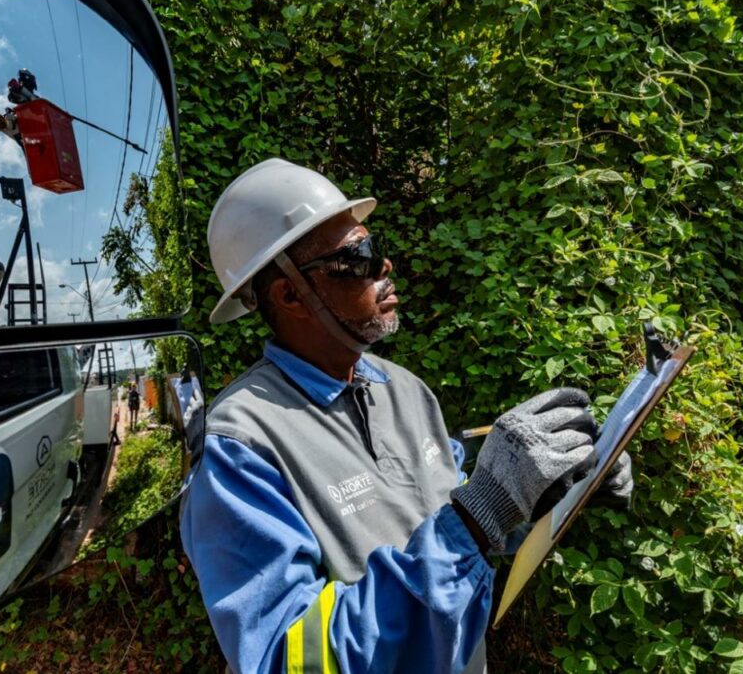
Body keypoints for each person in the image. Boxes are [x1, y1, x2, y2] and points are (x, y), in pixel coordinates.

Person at [180, 159, 633, 673]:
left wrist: (550, 491)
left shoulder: (405, 390)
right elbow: (285, 660)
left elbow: (462, 534)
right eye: (358, 257)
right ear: (289, 295)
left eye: (377, 248)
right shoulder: (240, 445)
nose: (384, 267)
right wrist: (479, 514)